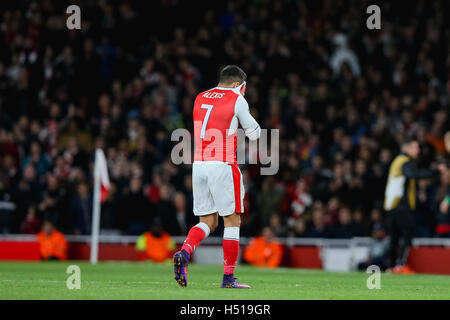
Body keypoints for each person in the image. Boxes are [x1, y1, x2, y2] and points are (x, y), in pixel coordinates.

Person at [173, 65, 261, 289]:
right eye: (243, 88)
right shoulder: (236, 98)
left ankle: (184, 253)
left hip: (199, 165)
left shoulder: (200, 96)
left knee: (207, 222)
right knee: (232, 221)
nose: (243, 92)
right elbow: (254, 133)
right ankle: (228, 279)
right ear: (236, 84)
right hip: (222, 164)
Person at [384, 137, 447, 274]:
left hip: (392, 205)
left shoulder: (397, 161)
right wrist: (436, 171)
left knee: (395, 237)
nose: (417, 151)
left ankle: (392, 266)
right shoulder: (404, 161)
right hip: (401, 205)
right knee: (407, 234)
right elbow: (413, 174)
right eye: (415, 147)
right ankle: (401, 266)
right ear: (406, 148)